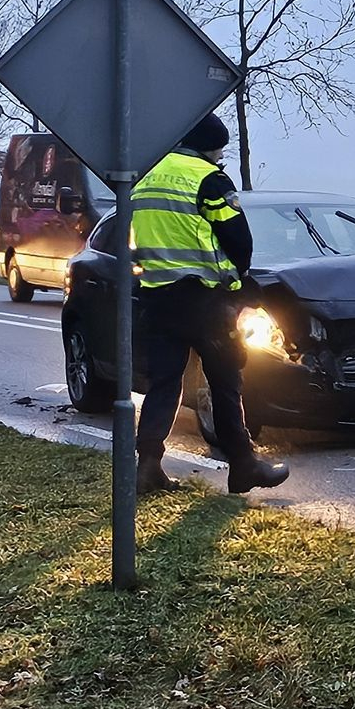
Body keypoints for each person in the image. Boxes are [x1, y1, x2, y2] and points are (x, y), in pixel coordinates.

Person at [131, 113, 288, 495]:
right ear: (208, 147)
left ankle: (148, 464)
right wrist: (240, 278)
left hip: (157, 297)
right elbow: (237, 237)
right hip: (204, 298)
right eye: (219, 150)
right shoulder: (208, 179)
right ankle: (243, 464)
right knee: (225, 382)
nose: (221, 157)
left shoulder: (145, 177)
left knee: (165, 383)